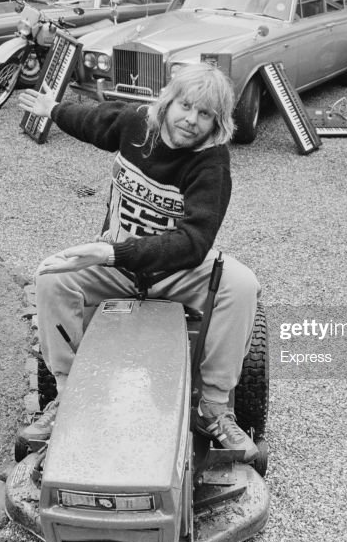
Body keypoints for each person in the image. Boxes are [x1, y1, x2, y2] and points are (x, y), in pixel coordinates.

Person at [16, 63, 261, 461]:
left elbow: (194, 242)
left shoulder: (212, 162)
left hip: (175, 271)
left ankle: (214, 407)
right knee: (51, 276)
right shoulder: (137, 125)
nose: (191, 120)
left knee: (242, 285)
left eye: (205, 114)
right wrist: (54, 109)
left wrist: (113, 252)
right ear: (169, 102)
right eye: (186, 106)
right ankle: (68, 394)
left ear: (217, 123)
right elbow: (93, 121)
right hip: (115, 265)